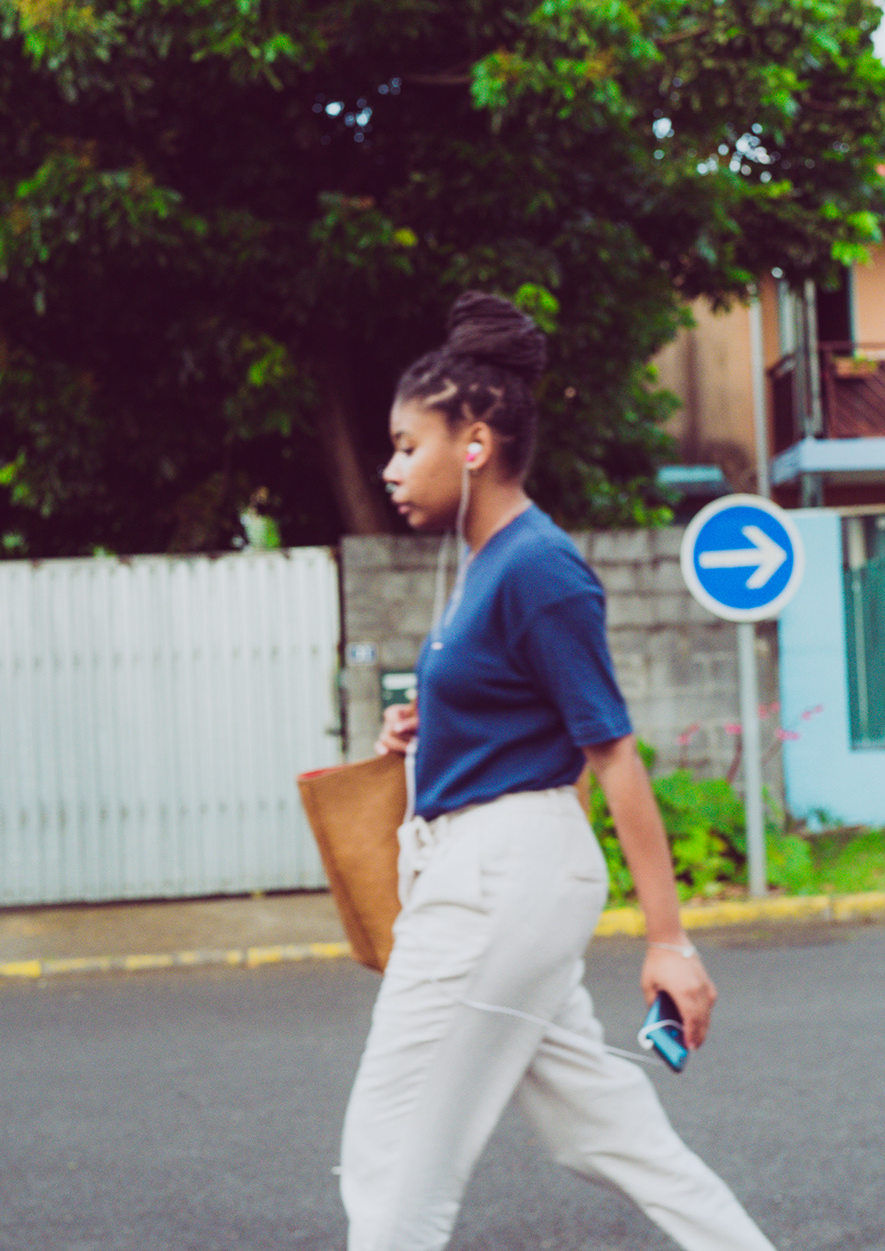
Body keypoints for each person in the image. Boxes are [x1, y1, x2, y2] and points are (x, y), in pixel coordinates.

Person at [339, 291, 775, 1251]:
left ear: (475, 443)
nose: (391, 468)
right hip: (500, 872)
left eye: (408, 445)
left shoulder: (539, 566)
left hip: (495, 880)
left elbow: (610, 751)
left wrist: (669, 940)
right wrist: (426, 732)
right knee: (605, 1130)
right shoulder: (484, 563)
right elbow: (528, 722)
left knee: (391, 1157)